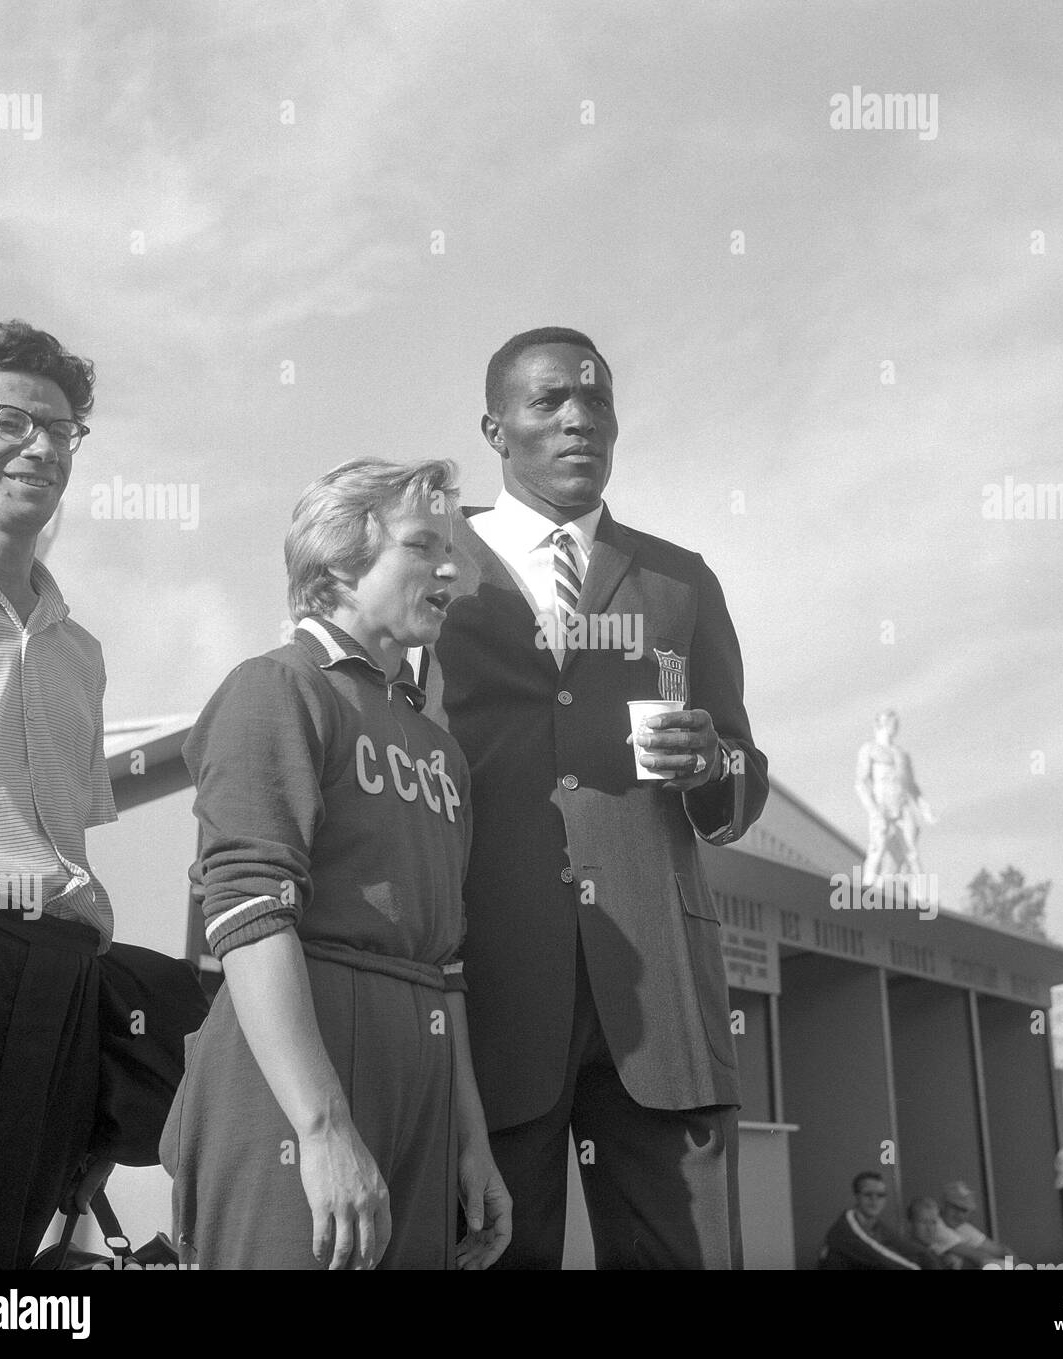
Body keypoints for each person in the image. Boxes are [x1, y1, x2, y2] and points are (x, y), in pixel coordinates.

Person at [427, 327, 769, 1269]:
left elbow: (743, 783)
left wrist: (712, 766)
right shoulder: (426, 560)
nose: (581, 418)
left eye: (598, 401)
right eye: (550, 402)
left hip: (661, 1000)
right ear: (494, 427)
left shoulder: (680, 578)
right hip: (485, 983)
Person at [160, 458, 510, 1270]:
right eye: (423, 546)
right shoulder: (276, 687)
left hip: (420, 1060)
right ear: (339, 567)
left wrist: (471, 1139)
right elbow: (247, 910)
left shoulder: (441, 748)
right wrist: (321, 1129)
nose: (450, 569)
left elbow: (445, 960)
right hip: (296, 1058)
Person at [0, 319, 116, 1268]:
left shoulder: (78, 650)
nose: (41, 446)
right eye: (9, 419)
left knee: (10, 1253)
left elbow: (74, 835)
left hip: (63, 966)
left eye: (61, 429)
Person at [855, 708, 935, 887]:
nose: (894, 726)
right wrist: (874, 811)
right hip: (882, 805)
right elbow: (861, 783)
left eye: (895, 722)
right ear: (881, 724)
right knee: (878, 847)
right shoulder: (870, 749)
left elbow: (911, 786)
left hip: (902, 806)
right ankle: (867, 888)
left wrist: (924, 808)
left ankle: (919, 895)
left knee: (911, 852)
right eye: (890, 722)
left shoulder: (901, 755)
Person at [819, 1172, 923, 1270]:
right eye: (868, 1194)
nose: (874, 1200)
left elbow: (910, 1249)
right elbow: (881, 1258)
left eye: (880, 1195)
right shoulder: (845, 1228)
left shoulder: (877, 1226)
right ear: (857, 1196)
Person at [935, 1179, 1012, 1267]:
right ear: (943, 1205)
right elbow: (980, 1257)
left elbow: (1004, 1251)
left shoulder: (962, 1227)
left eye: (964, 1210)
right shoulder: (934, 1225)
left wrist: (1014, 1266)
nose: (959, 1215)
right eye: (954, 1207)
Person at [905, 1196, 957, 1269]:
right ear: (910, 1224)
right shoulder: (908, 1255)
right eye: (924, 1222)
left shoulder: (936, 1253)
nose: (930, 1229)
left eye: (933, 1222)